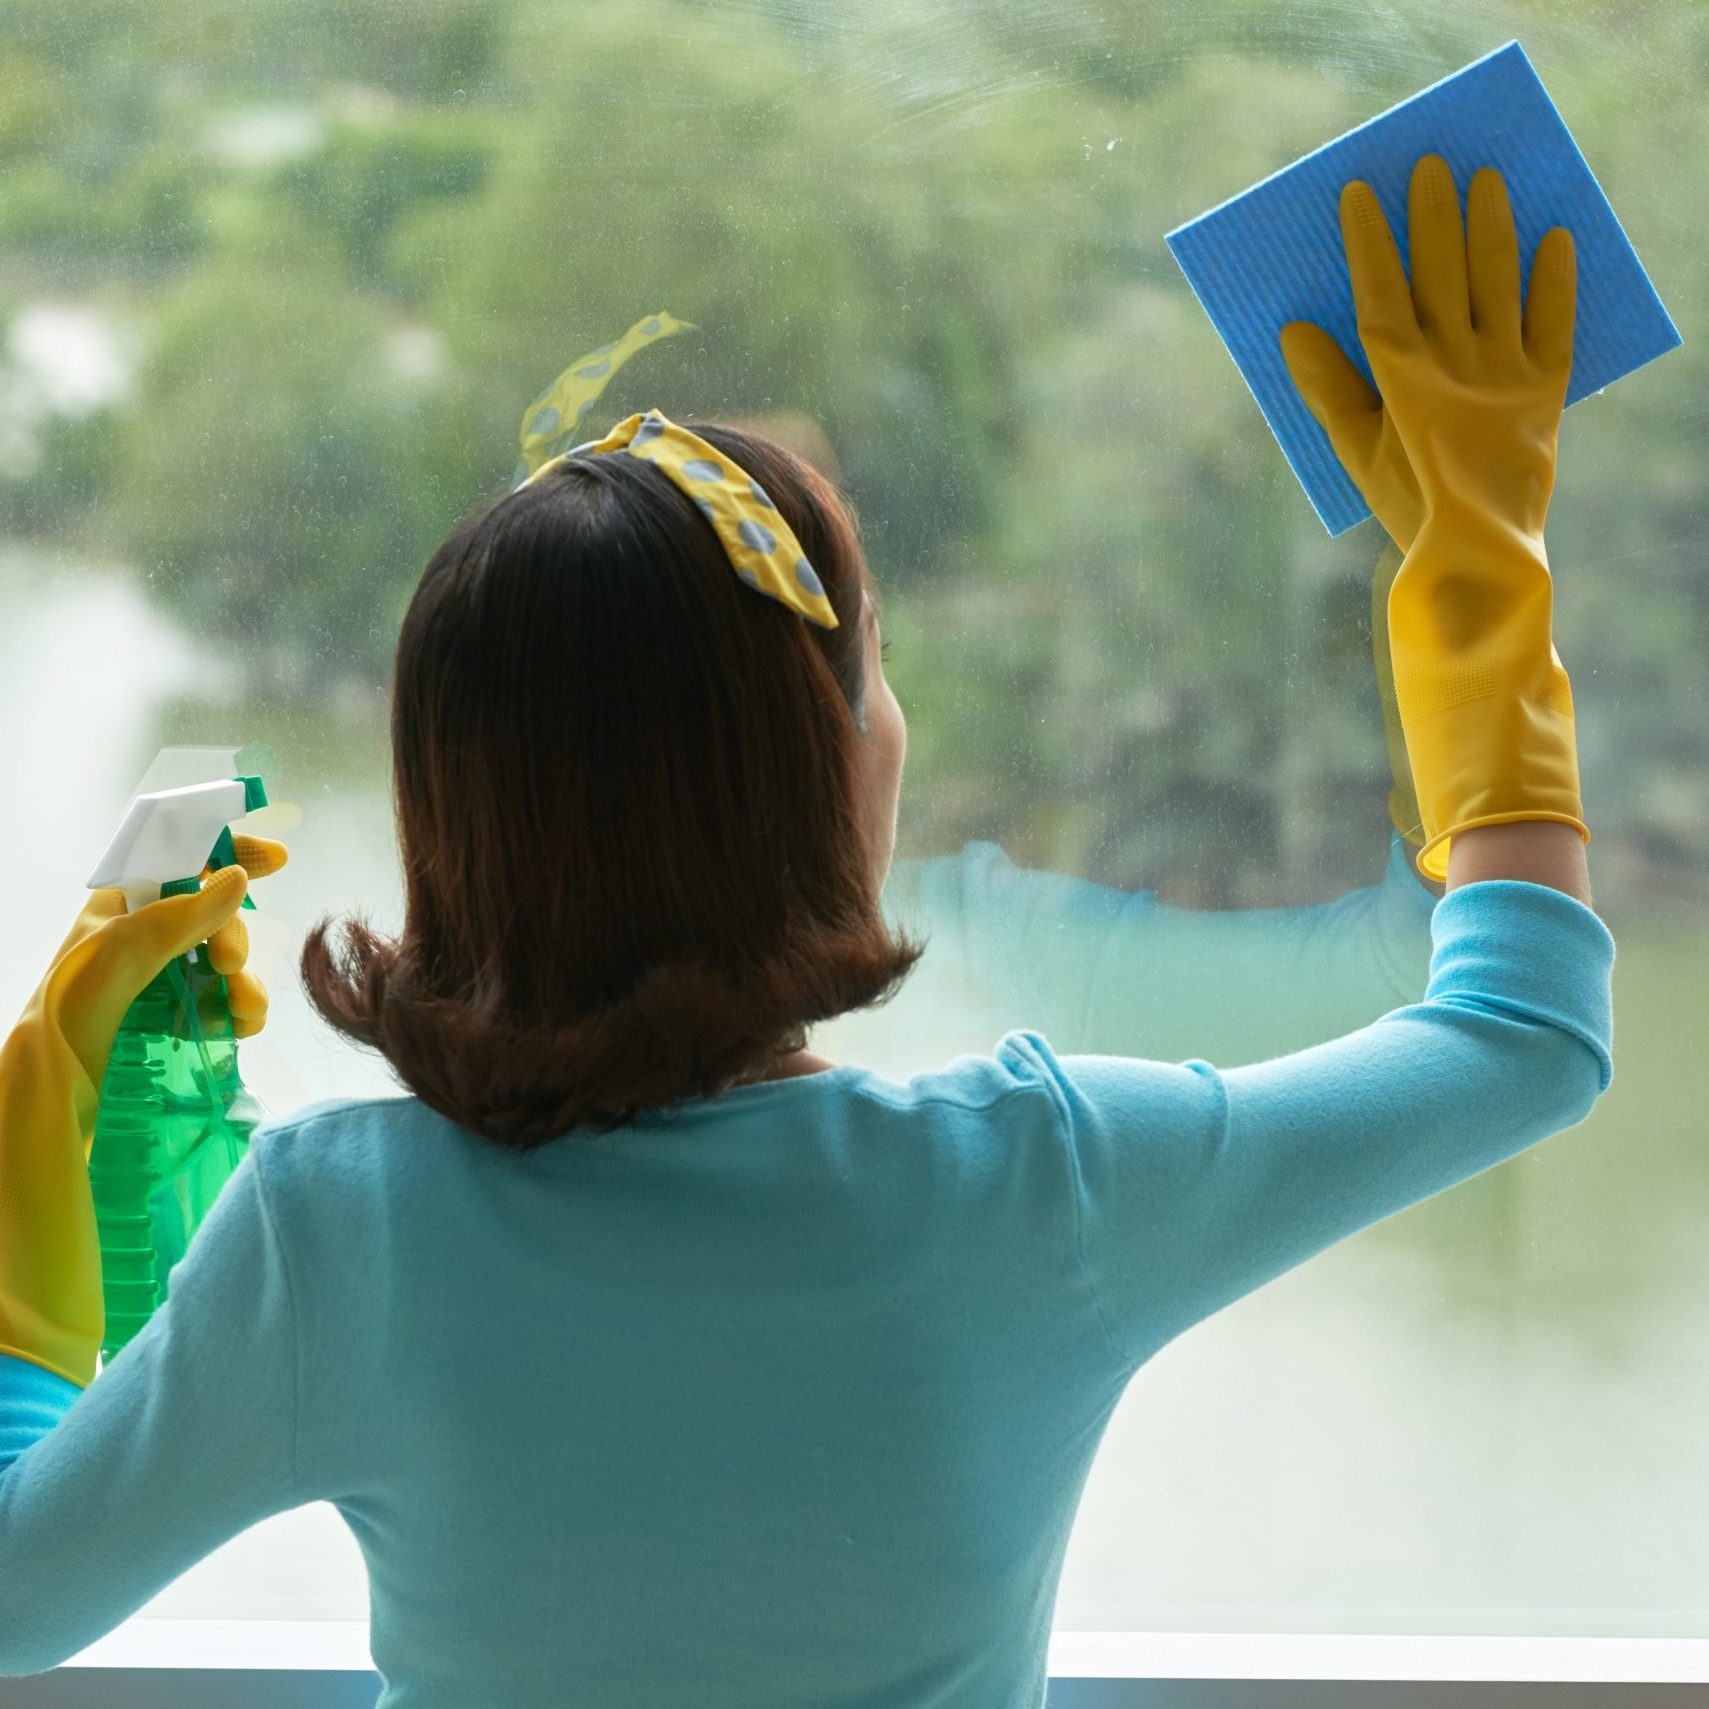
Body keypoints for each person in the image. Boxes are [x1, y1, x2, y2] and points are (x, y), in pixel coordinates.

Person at [0, 156, 1611, 1706]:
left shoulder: (329, 1237)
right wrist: (1472, 570)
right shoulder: (1044, 1184)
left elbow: (17, 1600)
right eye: (876, 673)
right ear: (829, 778)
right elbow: (1521, 1038)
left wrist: (54, 1173)